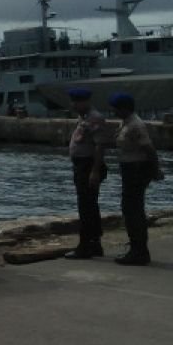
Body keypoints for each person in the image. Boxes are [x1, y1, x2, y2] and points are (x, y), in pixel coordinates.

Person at [108, 93, 159, 266]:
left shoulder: (135, 125)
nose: (113, 111)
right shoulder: (126, 123)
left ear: (124, 108)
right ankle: (136, 248)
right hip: (129, 169)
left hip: (136, 169)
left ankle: (139, 251)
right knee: (130, 209)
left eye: (115, 108)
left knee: (133, 210)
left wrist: (155, 169)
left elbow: (149, 149)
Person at [63, 88, 112, 259]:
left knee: (86, 206)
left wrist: (95, 171)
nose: (73, 105)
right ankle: (94, 243)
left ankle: (85, 246)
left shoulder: (94, 118)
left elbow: (100, 146)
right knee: (89, 205)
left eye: (76, 101)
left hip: (88, 166)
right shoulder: (84, 118)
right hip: (82, 165)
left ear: (85, 101)